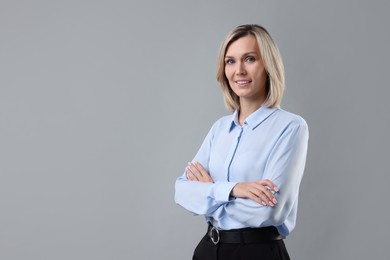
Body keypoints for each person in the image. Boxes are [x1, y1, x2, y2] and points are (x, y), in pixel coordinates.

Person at [175, 24, 309, 260]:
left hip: (257, 252)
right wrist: (235, 189)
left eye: (249, 59)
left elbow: (271, 211)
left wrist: (208, 192)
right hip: (208, 250)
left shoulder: (290, 127)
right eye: (230, 61)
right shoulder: (219, 129)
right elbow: (182, 191)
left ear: (268, 65)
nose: (239, 71)